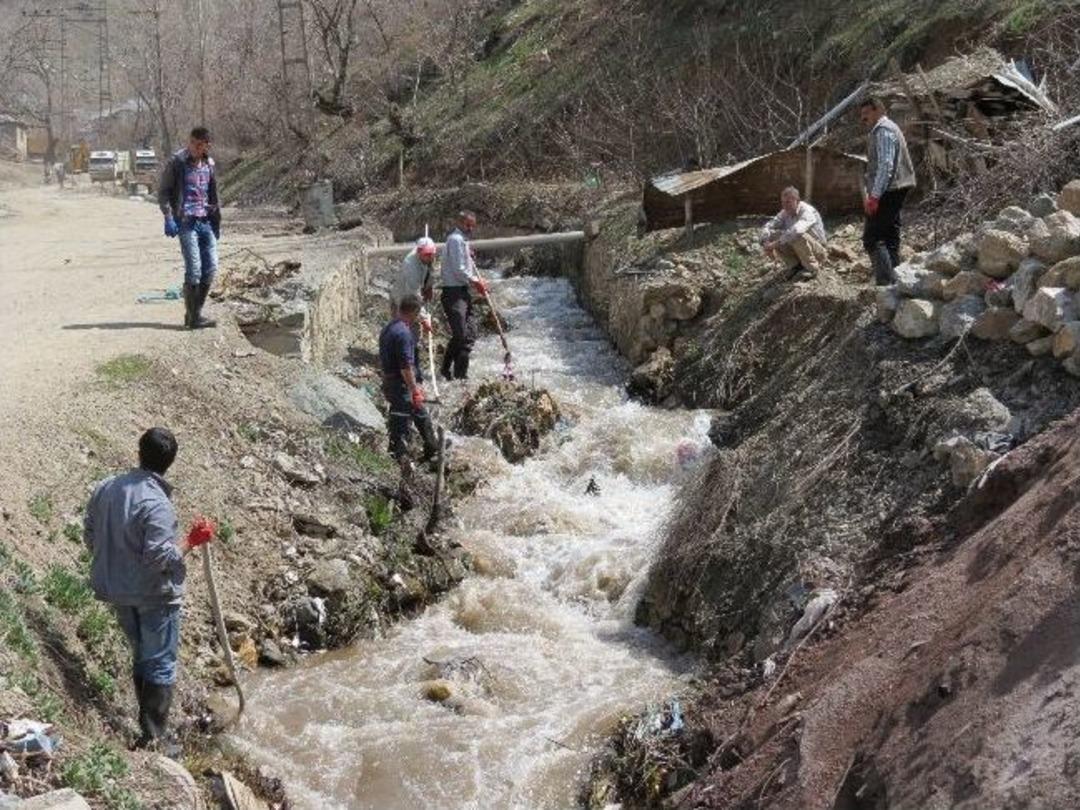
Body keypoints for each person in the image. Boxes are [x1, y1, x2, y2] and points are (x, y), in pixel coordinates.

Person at [83, 428, 213, 754]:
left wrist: (117, 565)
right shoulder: (158, 504)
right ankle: (155, 739)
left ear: (139, 452)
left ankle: (147, 730)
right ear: (171, 462)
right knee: (160, 663)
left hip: (117, 591)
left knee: (142, 656)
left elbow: (90, 534)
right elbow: (160, 558)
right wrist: (192, 541)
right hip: (154, 596)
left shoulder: (106, 488)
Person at [158, 126, 221, 329]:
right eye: (192, 142)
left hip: (206, 222)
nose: (194, 147)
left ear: (206, 146)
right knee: (194, 270)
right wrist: (168, 216)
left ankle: (196, 314)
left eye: (199, 144)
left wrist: (216, 220)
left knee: (210, 268)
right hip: (186, 223)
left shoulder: (209, 165)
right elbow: (164, 192)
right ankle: (192, 317)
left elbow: (213, 195)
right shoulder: (177, 163)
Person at [859, 97, 916, 286]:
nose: (863, 118)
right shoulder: (889, 128)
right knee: (890, 235)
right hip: (897, 187)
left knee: (872, 238)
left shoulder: (883, 130)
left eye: (866, 113)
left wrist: (874, 196)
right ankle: (897, 281)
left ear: (878, 111)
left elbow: (885, 165)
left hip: (889, 189)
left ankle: (885, 285)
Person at [379, 295, 439, 467]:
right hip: (400, 384)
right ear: (413, 312)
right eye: (418, 314)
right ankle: (399, 457)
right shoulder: (404, 334)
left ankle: (432, 447)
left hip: (391, 381)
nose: (418, 317)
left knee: (419, 412)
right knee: (400, 420)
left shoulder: (390, 327)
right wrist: (415, 390)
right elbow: (405, 367)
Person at [440, 211, 488, 381]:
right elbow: (459, 269)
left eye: (472, 225)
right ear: (459, 222)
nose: (470, 228)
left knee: (470, 333)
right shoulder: (455, 240)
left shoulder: (463, 241)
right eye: (468, 225)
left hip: (462, 291)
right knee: (460, 334)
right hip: (453, 292)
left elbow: (461, 262)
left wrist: (469, 255)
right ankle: (445, 368)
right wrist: (477, 282)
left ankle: (461, 375)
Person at [760, 187, 828, 281]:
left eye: (788, 202)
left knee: (796, 235)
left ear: (797, 200)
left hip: (817, 250)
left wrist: (775, 244)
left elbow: (796, 230)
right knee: (773, 235)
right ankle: (795, 266)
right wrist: (765, 242)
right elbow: (769, 226)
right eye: (783, 202)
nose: (785, 205)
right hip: (800, 250)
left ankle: (812, 268)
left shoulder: (807, 211)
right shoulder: (785, 212)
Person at [392, 237, 437, 333]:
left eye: (432, 254)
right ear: (418, 252)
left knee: (414, 332)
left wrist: (429, 286)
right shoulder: (411, 267)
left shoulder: (427, 257)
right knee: (403, 332)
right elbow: (414, 296)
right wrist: (424, 319)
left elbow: (430, 270)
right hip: (402, 302)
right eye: (427, 255)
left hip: (412, 299)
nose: (430, 258)